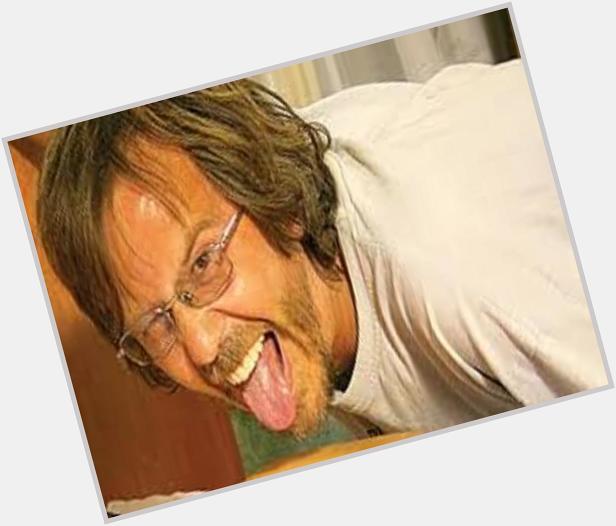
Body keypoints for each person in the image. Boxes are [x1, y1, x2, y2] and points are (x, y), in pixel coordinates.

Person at [37, 58, 607, 437]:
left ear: (275, 199)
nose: (202, 347)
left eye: (204, 263)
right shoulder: (298, 292)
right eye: (156, 324)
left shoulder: (453, 271)